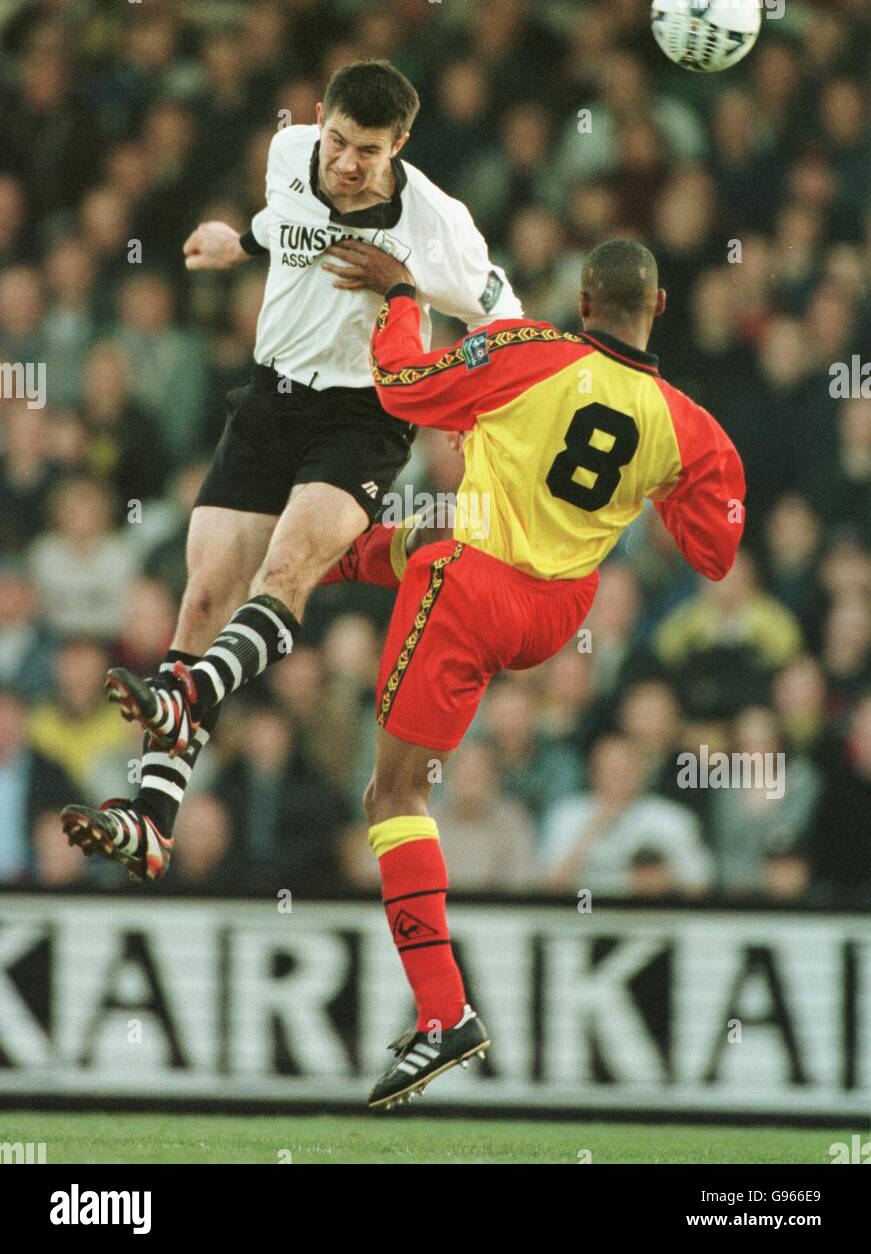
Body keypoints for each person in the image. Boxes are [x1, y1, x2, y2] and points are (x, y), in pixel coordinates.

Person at [61, 59, 520, 881]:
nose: (346, 162)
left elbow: (502, 314)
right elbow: (283, 225)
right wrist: (233, 242)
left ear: (400, 146)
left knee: (286, 571)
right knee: (201, 598)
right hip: (270, 403)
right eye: (339, 140)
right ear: (318, 118)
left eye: (368, 151)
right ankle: (152, 822)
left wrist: (422, 309)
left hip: (363, 418)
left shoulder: (435, 224)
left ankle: (189, 694)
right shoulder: (289, 153)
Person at [359, 237, 744, 1106]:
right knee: (411, 543)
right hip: (556, 613)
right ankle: (312, 567)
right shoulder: (688, 424)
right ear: (660, 307)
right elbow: (713, 552)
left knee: (391, 798)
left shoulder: (528, 350)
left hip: (477, 589)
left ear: (580, 300)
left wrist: (398, 299)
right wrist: (653, 487)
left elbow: (403, 388)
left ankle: (443, 1016)